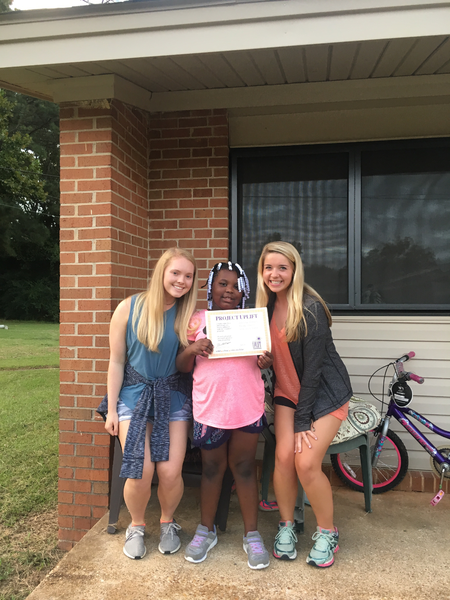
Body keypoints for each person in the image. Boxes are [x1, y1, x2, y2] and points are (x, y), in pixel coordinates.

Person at [255, 241, 352, 568]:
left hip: (324, 394)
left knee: (306, 463)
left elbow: (313, 372)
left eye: (282, 267)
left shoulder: (310, 309)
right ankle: (286, 526)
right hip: (287, 393)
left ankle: (327, 532)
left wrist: (302, 422)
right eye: (269, 267)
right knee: (283, 457)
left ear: (295, 271)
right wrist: (265, 360)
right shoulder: (265, 308)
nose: (275, 274)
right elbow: (279, 357)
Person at [97, 247, 198, 560]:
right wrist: (111, 410)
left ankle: (168, 521)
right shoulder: (128, 308)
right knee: (141, 469)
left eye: (188, 276)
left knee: (169, 471)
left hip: (173, 397)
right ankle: (137, 525)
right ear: (161, 273)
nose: (181, 281)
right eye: (175, 273)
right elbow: (116, 362)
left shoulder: (189, 317)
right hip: (133, 397)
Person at [176, 261, 273, 570]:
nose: (229, 291)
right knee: (211, 469)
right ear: (210, 287)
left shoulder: (253, 321)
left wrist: (265, 361)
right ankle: (206, 530)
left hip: (245, 407)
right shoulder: (196, 321)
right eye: (222, 284)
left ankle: (252, 535)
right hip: (211, 409)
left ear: (244, 291)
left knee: (244, 468)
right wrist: (193, 349)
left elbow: (263, 360)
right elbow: (181, 366)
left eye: (236, 286)